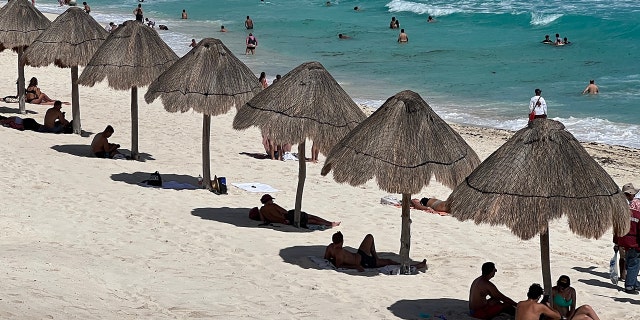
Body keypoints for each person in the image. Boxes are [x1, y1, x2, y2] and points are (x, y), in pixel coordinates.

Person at [324, 231, 427, 272]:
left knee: (369, 237)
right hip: (364, 262)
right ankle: (417, 266)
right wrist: (355, 266)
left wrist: (331, 260)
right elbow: (339, 266)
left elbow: (326, 259)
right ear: (341, 242)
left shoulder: (330, 247)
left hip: (359, 254)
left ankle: (376, 257)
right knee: (389, 262)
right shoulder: (339, 253)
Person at [614, 183, 640, 295]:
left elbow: (617, 225)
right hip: (634, 240)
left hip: (622, 239)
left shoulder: (622, 208)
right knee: (634, 262)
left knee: (629, 260)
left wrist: (616, 240)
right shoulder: (638, 208)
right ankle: (629, 286)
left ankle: (634, 282)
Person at [258, 194, 340, 227]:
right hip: (288, 216)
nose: (272, 201)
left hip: (284, 221)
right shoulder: (273, 206)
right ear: (268, 201)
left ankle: (329, 224)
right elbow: (284, 211)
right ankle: (330, 223)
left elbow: (262, 220)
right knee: (311, 217)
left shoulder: (262, 210)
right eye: (271, 200)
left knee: (311, 221)